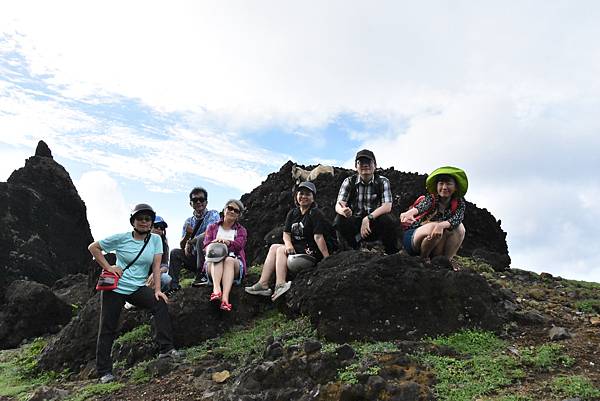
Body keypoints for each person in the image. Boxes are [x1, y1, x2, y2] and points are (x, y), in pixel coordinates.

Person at [88, 204, 180, 384]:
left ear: (151, 222)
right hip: (116, 287)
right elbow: (93, 247)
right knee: (107, 326)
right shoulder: (122, 238)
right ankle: (104, 371)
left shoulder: (155, 240)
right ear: (133, 221)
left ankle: (166, 349)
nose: (144, 222)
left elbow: (155, 267)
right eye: (140, 219)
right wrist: (109, 267)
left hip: (137, 287)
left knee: (159, 304)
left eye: (147, 219)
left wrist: (158, 290)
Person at [245, 181, 331, 301]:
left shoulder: (315, 213)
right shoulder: (293, 213)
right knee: (274, 246)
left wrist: (327, 258)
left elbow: (318, 237)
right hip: (296, 250)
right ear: (296, 196)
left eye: (308, 194)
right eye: (301, 193)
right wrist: (289, 243)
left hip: (309, 252)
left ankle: (280, 284)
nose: (304, 197)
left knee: (281, 249)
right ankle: (263, 284)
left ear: (313, 198)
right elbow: (286, 233)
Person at [399, 166, 467, 269]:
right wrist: (410, 213)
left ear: (456, 187)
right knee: (434, 227)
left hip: (436, 243)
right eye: (441, 184)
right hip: (414, 239)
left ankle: (445, 262)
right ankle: (423, 259)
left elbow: (457, 219)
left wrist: (441, 226)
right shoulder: (431, 198)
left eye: (448, 184)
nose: (444, 187)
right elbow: (421, 207)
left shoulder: (459, 203)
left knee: (459, 228)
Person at [334, 149, 398, 254]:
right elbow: (338, 205)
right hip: (354, 224)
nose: (365, 165)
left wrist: (368, 218)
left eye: (368, 162)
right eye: (361, 162)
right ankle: (353, 249)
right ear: (356, 166)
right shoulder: (349, 182)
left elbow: (387, 206)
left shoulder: (382, 181)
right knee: (339, 219)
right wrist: (343, 211)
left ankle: (390, 251)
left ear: (375, 165)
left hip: (374, 222)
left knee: (388, 219)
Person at [168, 187, 220, 291]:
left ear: (206, 202)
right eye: (195, 200)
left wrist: (191, 241)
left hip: (209, 256)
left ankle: (202, 274)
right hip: (193, 257)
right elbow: (182, 246)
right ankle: (172, 285)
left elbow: (210, 232)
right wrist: (187, 236)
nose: (198, 202)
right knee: (174, 253)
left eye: (201, 199)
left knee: (201, 239)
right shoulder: (188, 221)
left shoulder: (213, 214)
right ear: (191, 204)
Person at [203, 199, 248, 312]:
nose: (232, 211)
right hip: (213, 262)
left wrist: (227, 243)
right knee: (216, 257)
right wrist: (215, 244)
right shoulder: (212, 227)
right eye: (230, 208)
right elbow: (206, 247)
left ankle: (225, 298)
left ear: (238, 215)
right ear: (224, 209)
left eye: (236, 211)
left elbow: (239, 246)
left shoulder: (241, 230)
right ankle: (217, 290)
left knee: (228, 260)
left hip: (234, 262)